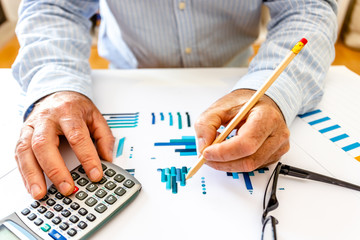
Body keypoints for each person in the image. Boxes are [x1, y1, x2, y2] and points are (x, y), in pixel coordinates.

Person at [12, 0, 337, 200]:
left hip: (239, 76)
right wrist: (56, 86)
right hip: (127, 82)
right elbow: (53, 5)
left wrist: (271, 91)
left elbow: (306, 8)